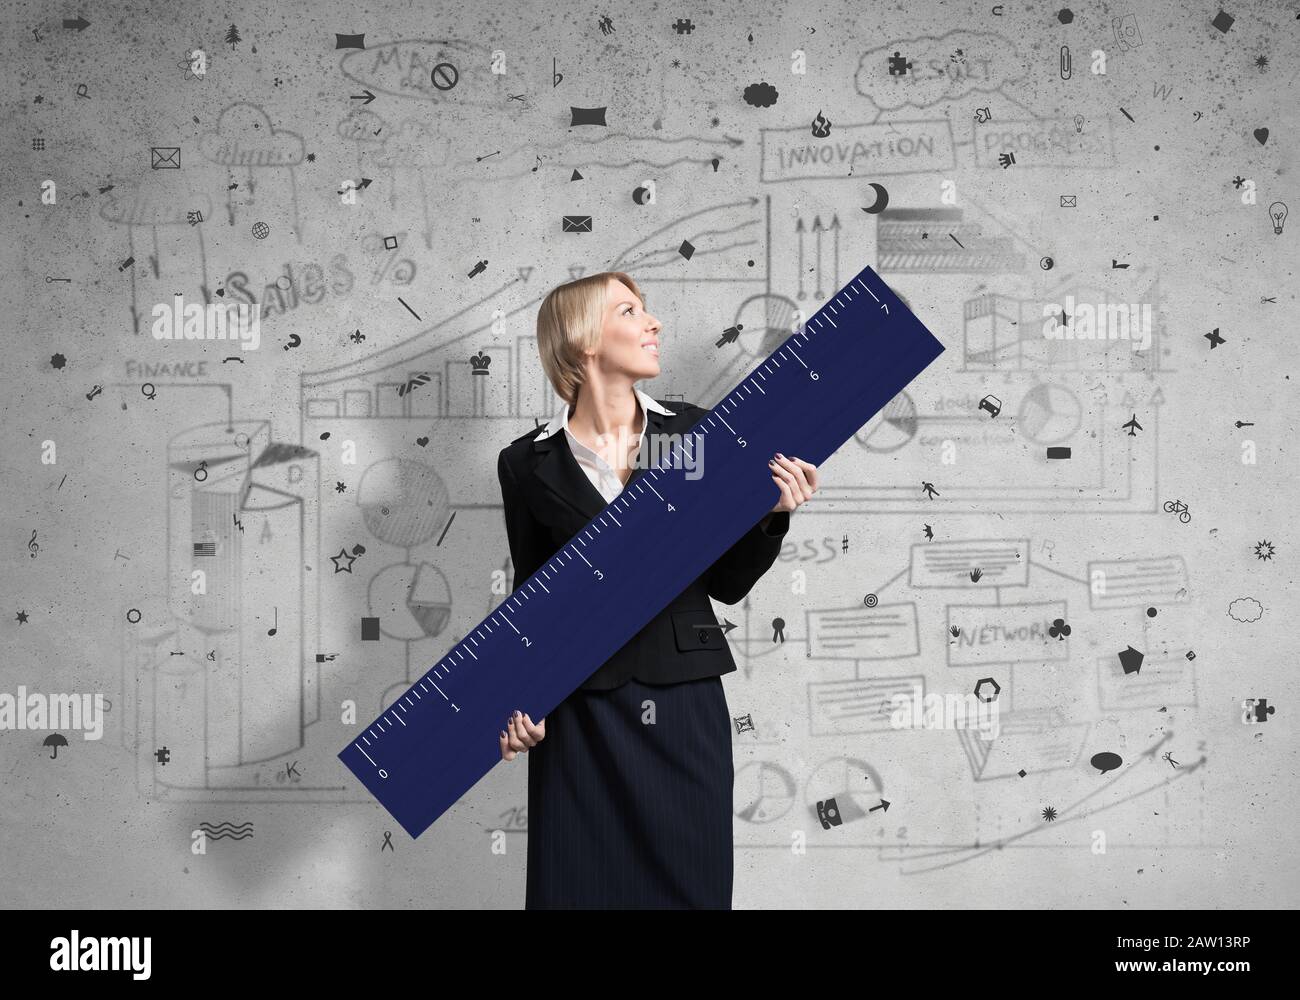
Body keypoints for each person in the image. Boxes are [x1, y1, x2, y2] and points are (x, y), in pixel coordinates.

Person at [495, 271, 818, 909]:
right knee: (575, 890)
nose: (654, 323)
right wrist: (515, 707)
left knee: (690, 887)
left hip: (682, 698)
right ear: (583, 338)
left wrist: (775, 515)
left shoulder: (698, 437)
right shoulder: (524, 462)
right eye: (631, 311)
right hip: (579, 712)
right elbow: (533, 606)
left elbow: (726, 583)